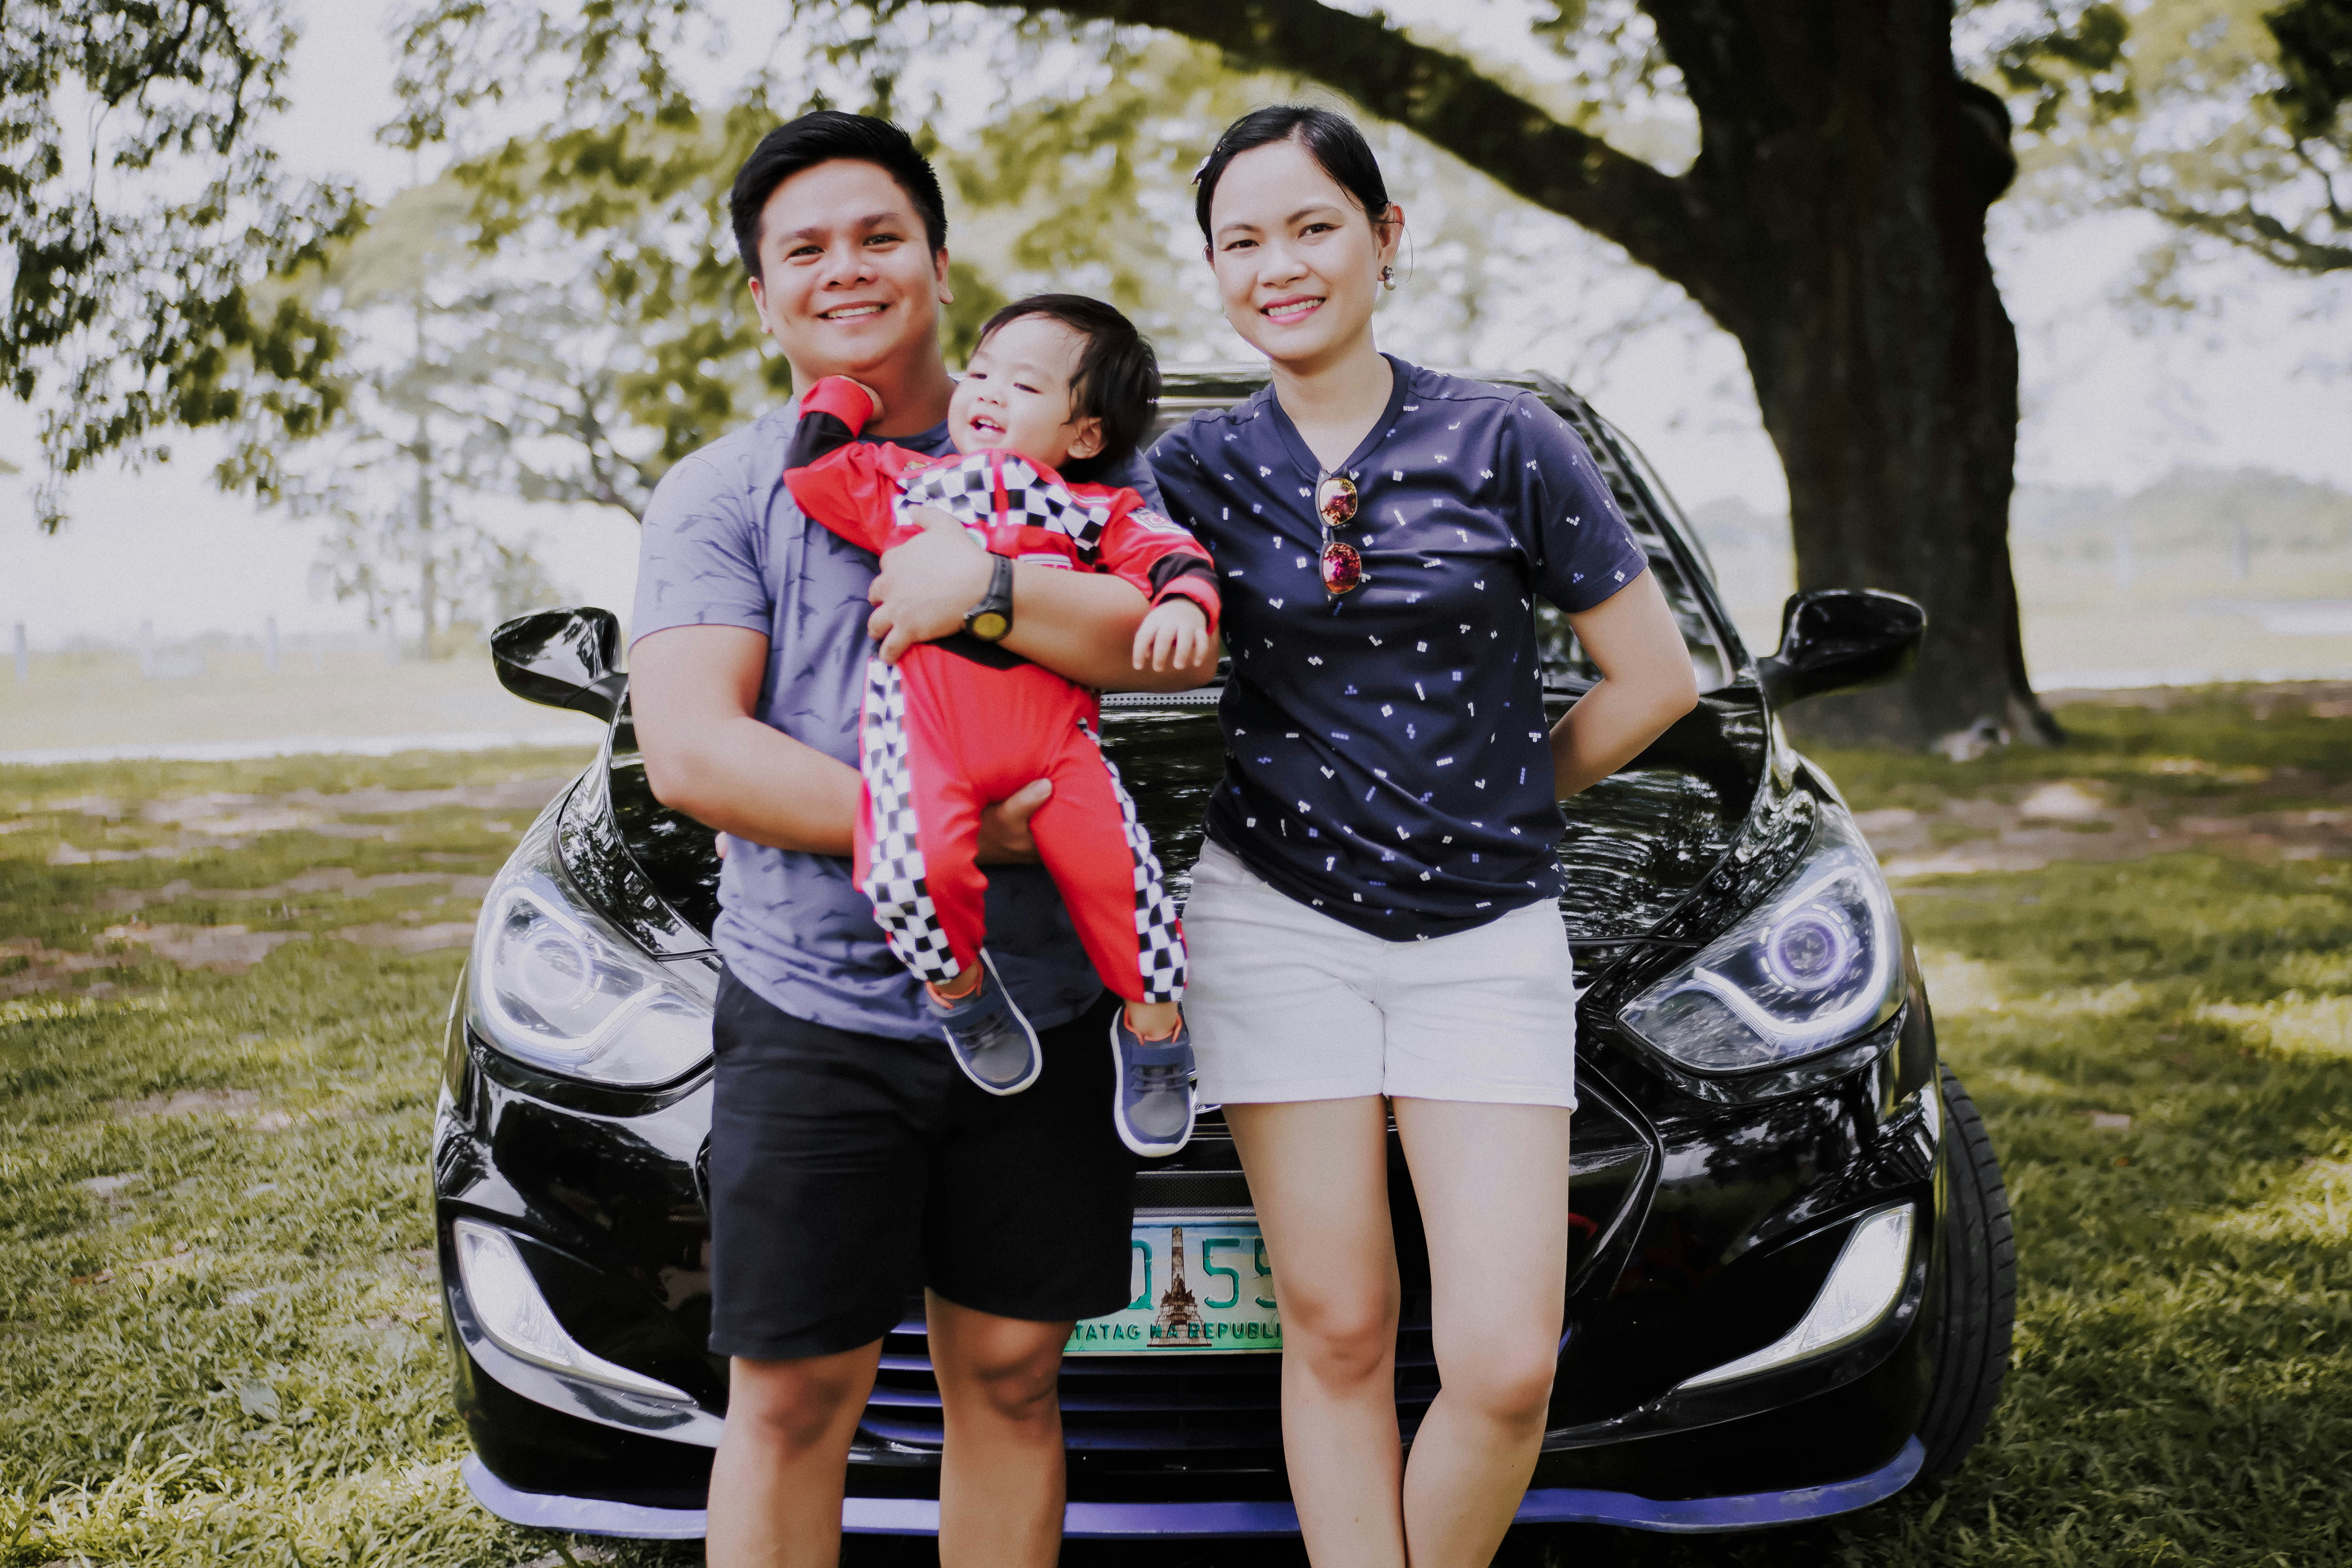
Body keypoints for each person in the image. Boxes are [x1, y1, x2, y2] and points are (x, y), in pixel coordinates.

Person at [628, 111, 1210, 1568]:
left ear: (942, 267)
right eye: (805, 250)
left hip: (1051, 1002)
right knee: (792, 1396)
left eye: (880, 236)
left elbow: (1151, 638)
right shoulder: (724, 491)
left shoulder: (1063, 448)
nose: (847, 268)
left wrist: (990, 587)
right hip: (814, 1004)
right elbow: (694, 750)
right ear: (761, 296)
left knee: (1010, 1377)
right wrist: (953, 832)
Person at [1149, 106, 1701, 1568]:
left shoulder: (1508, 438)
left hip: (1487, 935)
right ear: (1214, 269)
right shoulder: (1191, 471)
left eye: (1312, 227)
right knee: (1338, 1327)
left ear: (1385, 238)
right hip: (1275, 923)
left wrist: (1507, 795)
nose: (1278, 266)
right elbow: (1076, 598)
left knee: (1506, 1362)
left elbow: (1654, 681)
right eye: (1241, 242)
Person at [781, 292, 1219, 1156]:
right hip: (926, 733)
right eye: (979, 372)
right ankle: (961, 992)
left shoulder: (1093, 507)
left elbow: (1171, 554)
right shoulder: (907, 483)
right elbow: (817, 468)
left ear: (1085, 435)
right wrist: (844, 394)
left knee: (1124, 880)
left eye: (1022, 384)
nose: (984, 390)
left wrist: (1183, 602)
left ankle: (1155, 1024)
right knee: (907, 871)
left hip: (1054, 744)